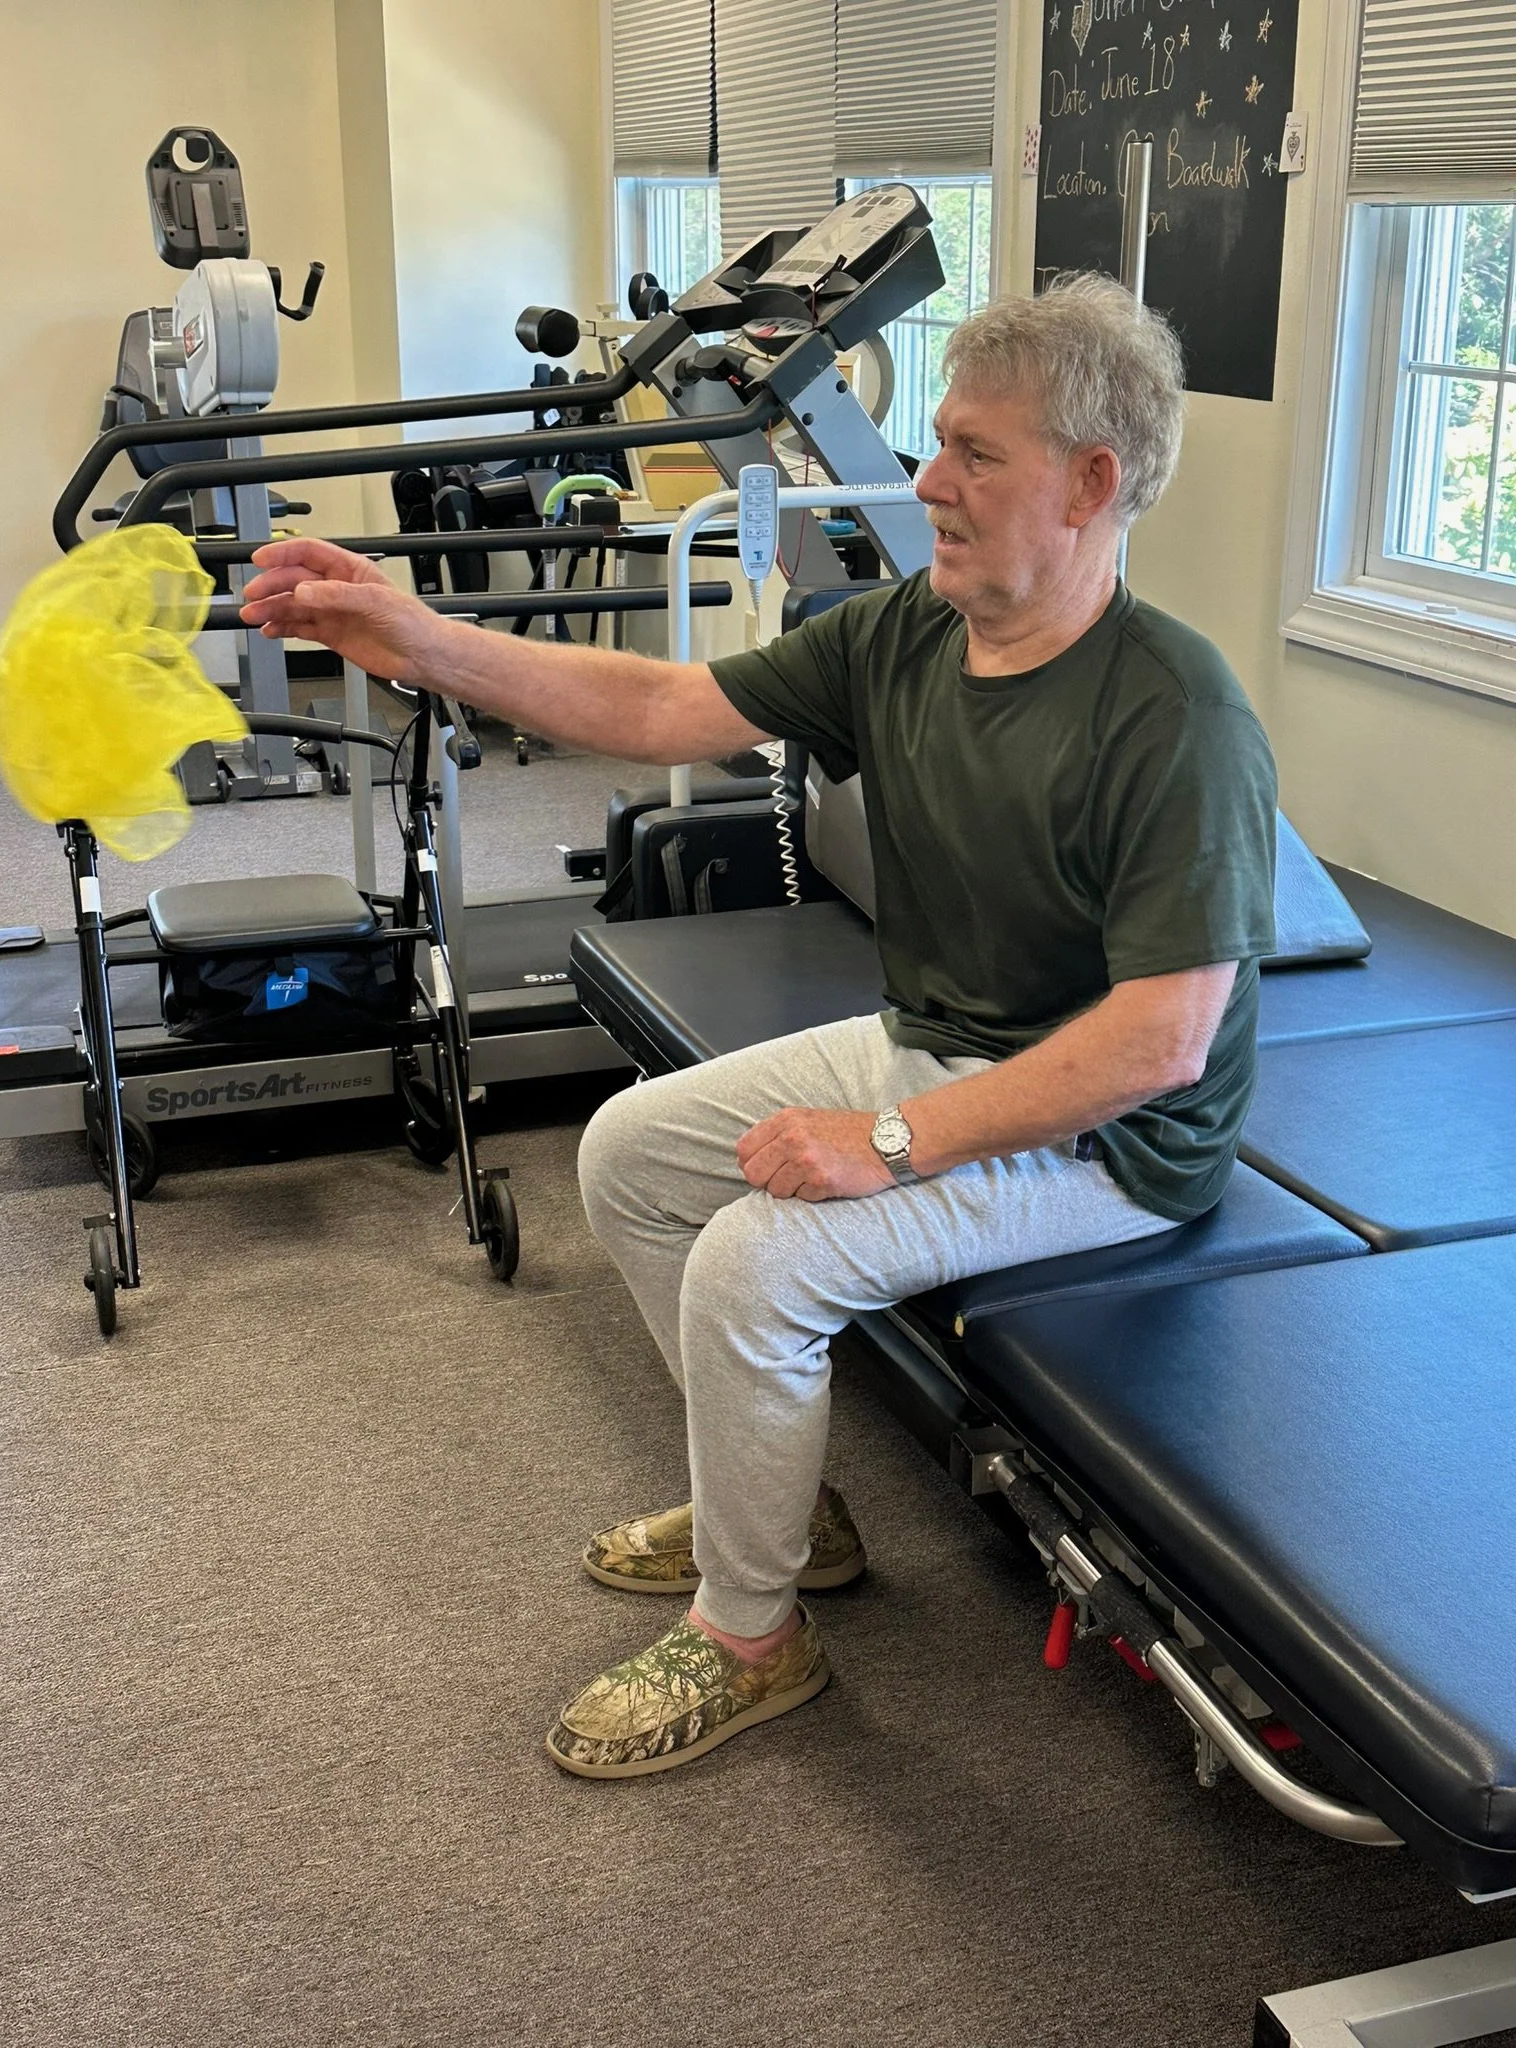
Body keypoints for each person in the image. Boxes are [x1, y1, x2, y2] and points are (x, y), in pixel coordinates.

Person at [241, 272, 1277, 1782]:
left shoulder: (1178, 715)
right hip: (944, 1038)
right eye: (938, 441)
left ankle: (752, 1636)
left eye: (975, 455)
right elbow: (666, 708)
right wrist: (420, 637)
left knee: (755, 1261)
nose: (929, 481)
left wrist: (891, 1140)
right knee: (629, 1154)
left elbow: (1156, 1047)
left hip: (1114, 1140)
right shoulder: (906, 632)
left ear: (1092, 482)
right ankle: (782, 1509)